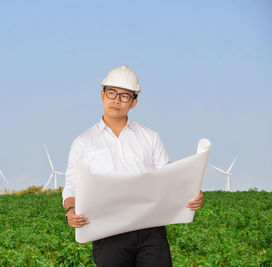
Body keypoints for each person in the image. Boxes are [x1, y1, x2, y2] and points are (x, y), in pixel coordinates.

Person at [62, 65, 204, 267]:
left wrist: (191, 193)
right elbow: (71, 186)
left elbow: (169, 177)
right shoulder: (83, 142)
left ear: (134, 102)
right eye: (111, 93)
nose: (116, 100)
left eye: (124, 96)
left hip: (151, 231)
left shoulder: (150, 137)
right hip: (108, 232)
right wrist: (71, 210)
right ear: (101, 95)